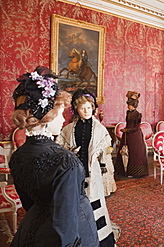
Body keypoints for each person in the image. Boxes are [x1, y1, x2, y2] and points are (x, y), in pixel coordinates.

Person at [9, 66, 99, 247]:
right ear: (47, 117)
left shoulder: (18, 156)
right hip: (74, 231)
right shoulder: (65, 162)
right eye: (60, 114)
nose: (62, 120)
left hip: (34, 225)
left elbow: (29, 202)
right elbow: (66, 227)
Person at [56, 89, 116, 246]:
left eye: (89, 108)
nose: (86, 111)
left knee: (95, 201)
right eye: (83, 108)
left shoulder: (99, 129)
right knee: (75, 201)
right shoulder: (69, 129)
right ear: (76, 109)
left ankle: (100, 235)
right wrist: (70, 152)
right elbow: (60, 146)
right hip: (75, 171)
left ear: (93, 108)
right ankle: (78, 233)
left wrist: (102, 164)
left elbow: (105, 149)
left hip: (92, 171)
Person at [114, 91, 149, 177]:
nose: (128, 106)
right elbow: (128, 123)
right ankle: (122, 170)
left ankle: (134, 172)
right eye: (128, 104)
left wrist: (127, 130)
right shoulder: (128, 112)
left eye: (129, 105)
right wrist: (125, 130)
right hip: (127, 135)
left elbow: (137, 127)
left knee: (134, 153)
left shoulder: (137, 115)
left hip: (135, 136)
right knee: (123, 151)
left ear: (133, 105)